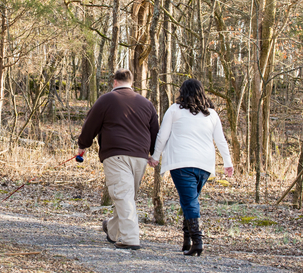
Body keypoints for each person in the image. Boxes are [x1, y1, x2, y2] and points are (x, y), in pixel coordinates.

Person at [148, 78, 233, 256]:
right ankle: (187, 240)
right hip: (204, 165)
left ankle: (197, 241)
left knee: (189, 201)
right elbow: (221, 141)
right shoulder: (211, 114)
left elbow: (162, 136)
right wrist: (227, 162)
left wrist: (155, 157)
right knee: (189, 200)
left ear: (182, 92)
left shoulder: (174, 110)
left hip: (181, 163)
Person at [76, 69, 159, 250]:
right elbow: (155, 131)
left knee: (123, 196)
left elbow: (91, 123)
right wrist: (154, 153)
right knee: (126, 196)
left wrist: (83, 144)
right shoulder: (146, 103)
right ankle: (113, 231)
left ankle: (130, 239)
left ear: (114, 82)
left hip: (116, 154)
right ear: (131, 82)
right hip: (140, 157)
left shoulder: (107, 99)